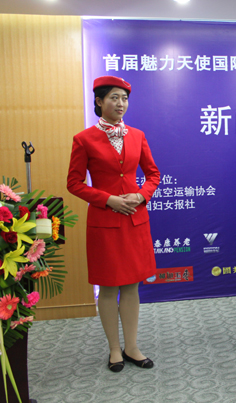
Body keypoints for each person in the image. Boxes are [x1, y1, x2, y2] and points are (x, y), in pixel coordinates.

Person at [67, 76, 160, 371]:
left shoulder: (137, 135)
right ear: (99, 101)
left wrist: (141, 195)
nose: (121, 104)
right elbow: (74, 183)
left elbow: (153, 174)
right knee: (108, 288)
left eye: (124, 98)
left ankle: (132, 347)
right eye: (114, 98)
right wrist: (108, 199)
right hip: (104, 221)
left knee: (131, 286)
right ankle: (114, 350)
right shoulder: (84, 139)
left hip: (134, 220)